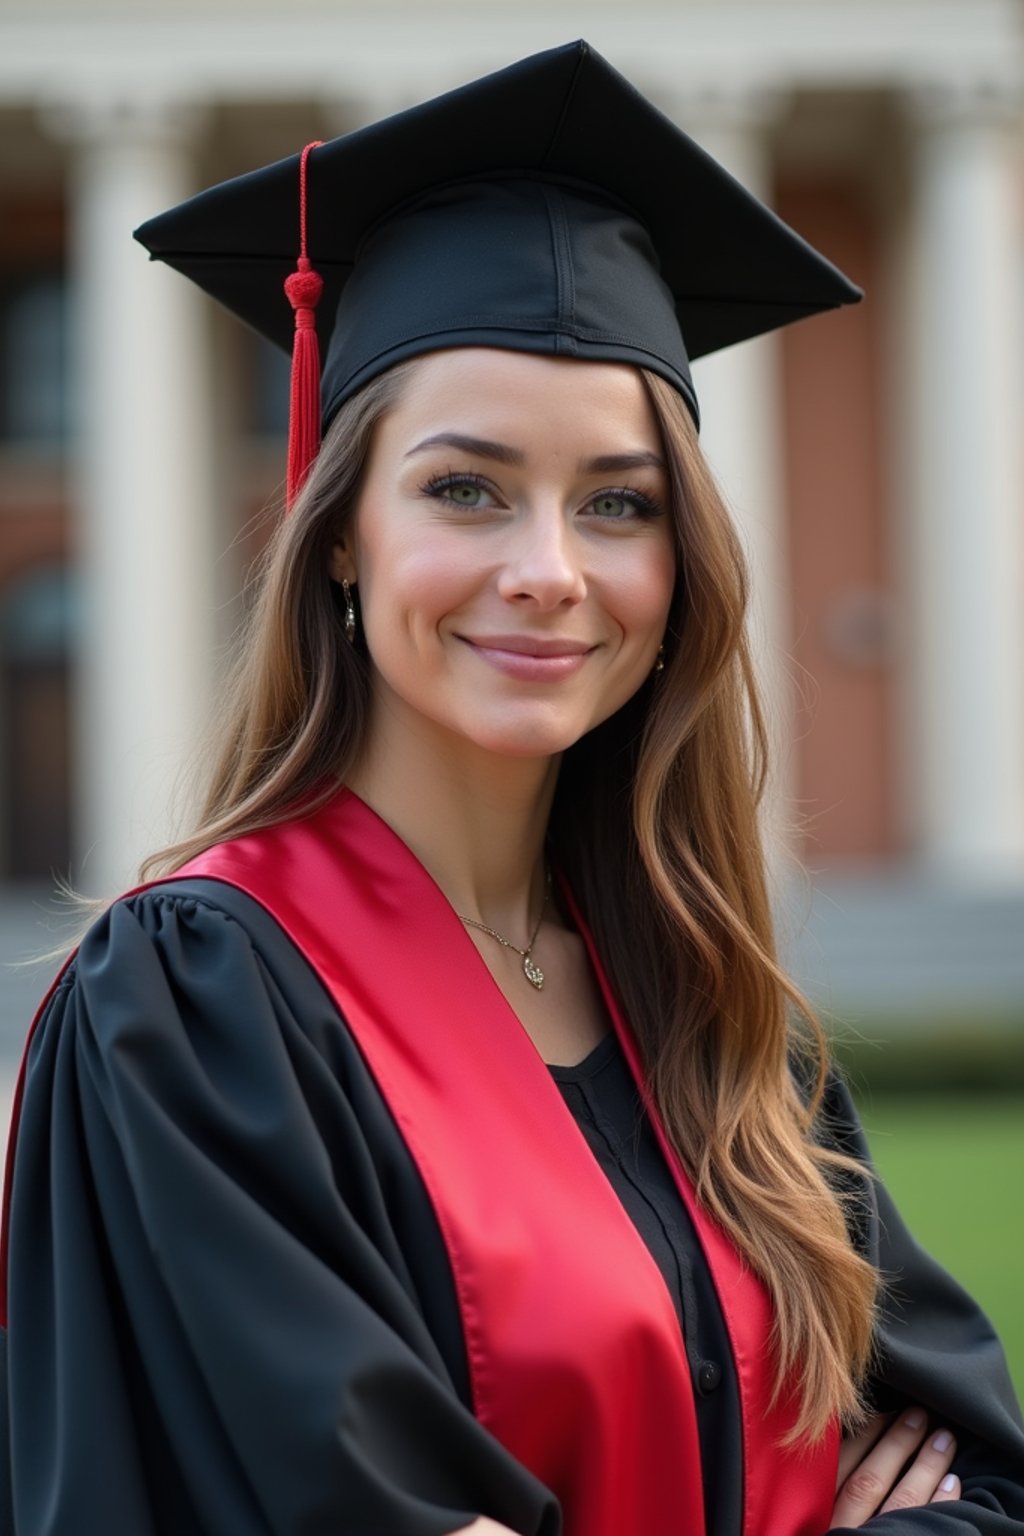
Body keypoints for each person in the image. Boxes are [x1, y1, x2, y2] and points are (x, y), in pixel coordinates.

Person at [1, 38, 1022, 1536]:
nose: (548, 572)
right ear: (339, 532)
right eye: (465, 487)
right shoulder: (197, 1008)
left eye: (619, 503)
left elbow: (983, 1480)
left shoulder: (716, 1018)